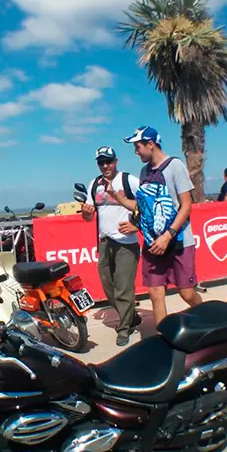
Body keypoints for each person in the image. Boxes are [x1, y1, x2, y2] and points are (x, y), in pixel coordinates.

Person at [112, 125, 202, 326]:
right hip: (154, 243)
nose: (135, 152)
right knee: (155, 292)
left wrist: (168, 235)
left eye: (138, 147)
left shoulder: (175, 166)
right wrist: (118, 198)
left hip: (178, 241)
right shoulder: (144, 172)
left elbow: (186, 205)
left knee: (186, 293)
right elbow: (144, 206)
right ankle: (163, 337)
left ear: (150, 144)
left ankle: (207, 318)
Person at [80, 146, 143, 346]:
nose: (105, 166)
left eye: (109, 161)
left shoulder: (128, 180)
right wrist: (86, 212)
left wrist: (136, 225)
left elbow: (149, 204)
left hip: (126, 243)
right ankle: (131, 316)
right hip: (104, 242)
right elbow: (88, 216)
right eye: (101, 162)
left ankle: (124, 329)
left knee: (123, 288)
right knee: (108, 286)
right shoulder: (94, 184)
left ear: (116, 161)